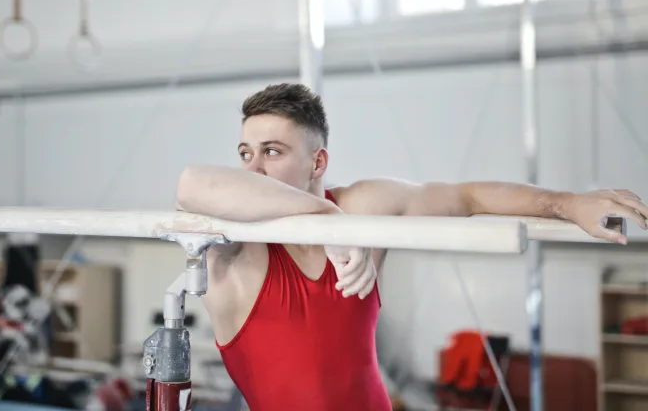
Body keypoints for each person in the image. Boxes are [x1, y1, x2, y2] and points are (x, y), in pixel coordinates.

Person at [175, 83, 648, 411]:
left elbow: (468, 197)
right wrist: (330, 223)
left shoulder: (364, 203)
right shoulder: (237, 249)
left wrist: (568, 204)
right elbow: (192, 183)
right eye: (245, 153)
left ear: (318, 161)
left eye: (272, 152)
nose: (252, 169)